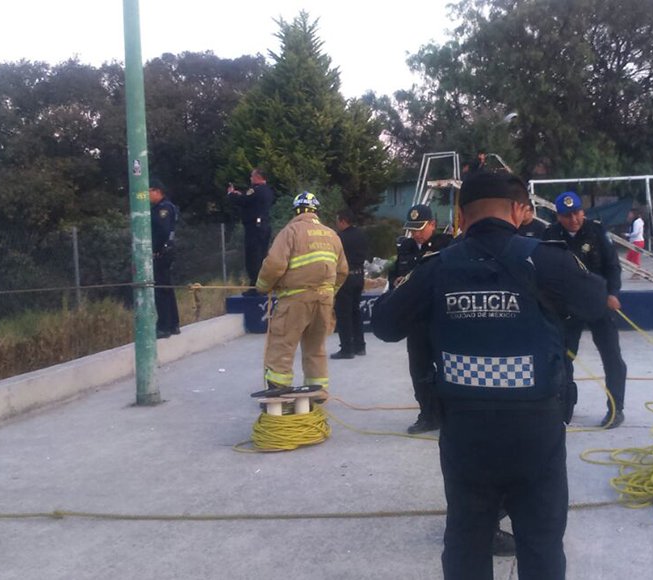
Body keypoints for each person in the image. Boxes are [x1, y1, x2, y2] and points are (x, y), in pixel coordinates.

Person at [372, 170, 610, 580]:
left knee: (466, 542)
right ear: (520, 211)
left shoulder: (436, 268)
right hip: (536, 431)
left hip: (466, 434)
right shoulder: (547, 259)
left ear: (461, 217)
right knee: (541, 543)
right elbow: (595, 302)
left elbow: (385, 325)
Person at [543, 192, 627, 428]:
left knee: (612, 358)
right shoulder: (550, 236)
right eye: (567, 215)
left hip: (600, 304)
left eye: (577, 213)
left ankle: (615, 409)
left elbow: (613, 267)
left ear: (583, 212)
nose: (574, 219)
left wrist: (613, 294)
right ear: (558, 216)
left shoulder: (597, 232)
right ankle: (564, 405)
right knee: (563, 358)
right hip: (569, 308)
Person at [255, 192, 348, 392]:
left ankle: (278, 390)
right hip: (324, 302)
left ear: (296, 211)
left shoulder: (291, 232)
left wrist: (262, 286)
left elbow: (274, 265)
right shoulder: (332, 235)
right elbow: (342, 272)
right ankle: (317, 393)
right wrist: (330, 293)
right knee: (316, 348)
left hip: (295, 300)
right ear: (315, 211)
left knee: (282, 344)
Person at [389, 204, 454, 434]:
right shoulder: (405, 247)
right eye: (413, 229)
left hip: (440, 316)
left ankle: (450, 411)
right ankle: (427, 414)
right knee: (419, 369)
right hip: (416, 319)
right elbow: (396, 273)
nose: (416, 233)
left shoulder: (445, 245)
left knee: (448, 367)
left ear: (433, 225)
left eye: (421, 228)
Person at [227, 167, 275, 291]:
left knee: (253, 257)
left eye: (252, 176)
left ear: (258, 177)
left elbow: (243, 201)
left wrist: (231, 194)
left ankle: (255, 286)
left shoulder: (256, 190)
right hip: (263, 226)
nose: (250, 178)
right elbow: (250, 200)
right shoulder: (268, 190)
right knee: (261, 256)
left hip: (254, 228)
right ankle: (262, 284)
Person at [332, 208, 370, 359]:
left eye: (337, 221)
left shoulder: (339, 238)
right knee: (356, 311)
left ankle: (347, 348)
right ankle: (360, 346)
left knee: (343, 314)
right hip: (359, 276)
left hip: (345, 278)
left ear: (343, 221)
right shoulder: (361, 235)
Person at [149, 180, 181, 339]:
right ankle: (173, 323)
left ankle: (164, 326)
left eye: (150, 191)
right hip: (166, 251)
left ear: (158, 191)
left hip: (161, 253)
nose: (148, 195)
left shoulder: (163, 208)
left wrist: (155, 250)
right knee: (167, 288)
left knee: (161, 290)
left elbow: (162, 231)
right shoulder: (165, 207)